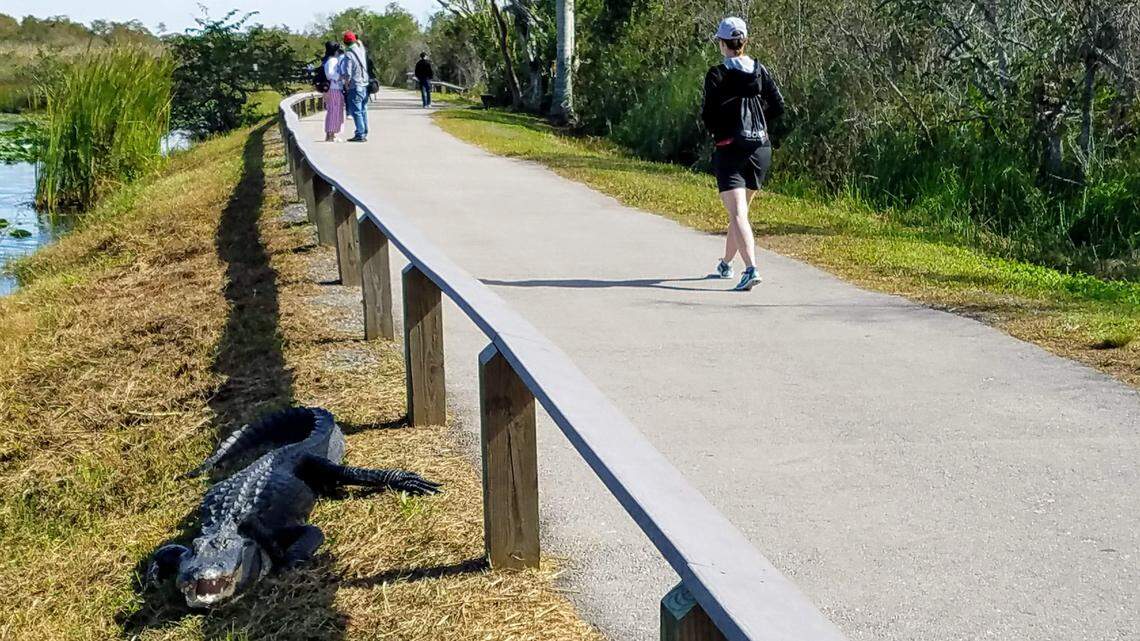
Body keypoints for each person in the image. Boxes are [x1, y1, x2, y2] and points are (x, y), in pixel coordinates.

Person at [701, 17, 785, 292]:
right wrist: (755, 122)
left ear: (722, 43)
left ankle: (751, 270)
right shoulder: (760, 70)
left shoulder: (717, 74)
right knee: (740, 213)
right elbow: (778, 106)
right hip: (760, 149)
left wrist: (724, 131)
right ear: (744, 41)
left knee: (738, 213)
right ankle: (726, 264)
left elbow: (708, 115)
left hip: (731, 150)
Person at [338, 31, 370, 142]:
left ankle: (360, 134)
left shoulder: (348, 54)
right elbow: (359, 43)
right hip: (364, 84)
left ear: (345, 42)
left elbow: (348, 72)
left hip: (355, 85)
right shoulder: (361, 50)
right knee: (363, 110)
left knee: (356, 111)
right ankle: (364, 131)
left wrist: (346, 83)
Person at [319, 41, 345, 142]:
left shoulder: (328, 60)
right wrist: (340, 77)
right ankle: (330, 134)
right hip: (334, 88)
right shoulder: (332, 61)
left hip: (333, 88)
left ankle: (331, 134)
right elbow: (330, 74)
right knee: (334, 111)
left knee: (333, 111)